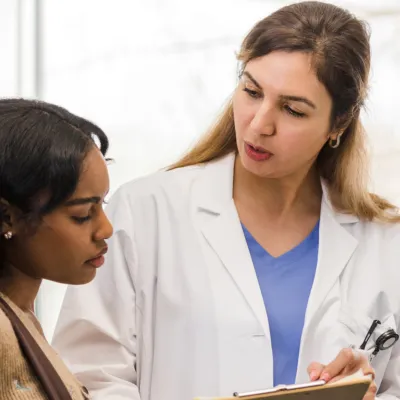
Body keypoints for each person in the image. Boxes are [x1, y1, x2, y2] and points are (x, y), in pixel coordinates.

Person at [52, 1, 400, 399]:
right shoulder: (143, 213)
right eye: (252, 91)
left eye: (292, 110)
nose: (259, 123)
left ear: (338, 123)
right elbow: (88, 378)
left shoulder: (386, 242)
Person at [0, 99, 113, 399]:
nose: (106, 229)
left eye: (102, 204)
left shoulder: (20, 316)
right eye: (82, 215)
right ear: (7, 217)